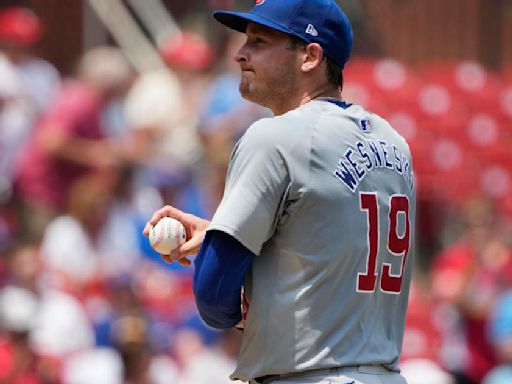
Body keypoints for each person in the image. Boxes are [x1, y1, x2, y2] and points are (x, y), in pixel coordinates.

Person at [144, 1, 416, 383]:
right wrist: (223, 233)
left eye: (259, 41)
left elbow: (215, 297)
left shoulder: (274, 137)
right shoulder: (394, 142)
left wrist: (221, 257)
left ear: (310, 56)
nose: (240, 53)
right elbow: (324, 245)